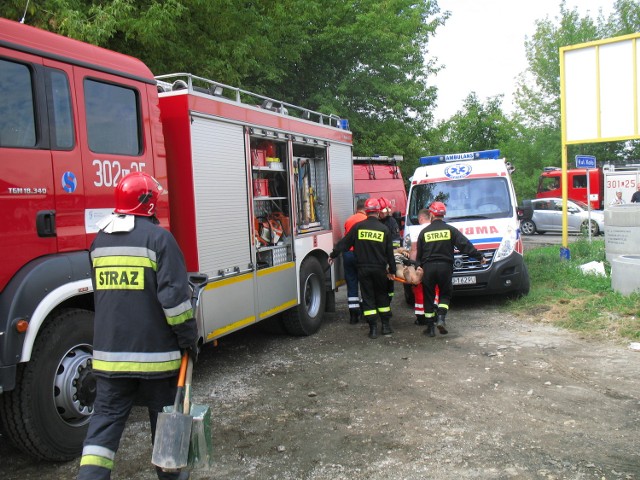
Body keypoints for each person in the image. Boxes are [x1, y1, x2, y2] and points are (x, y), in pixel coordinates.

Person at [77, 172, 199, 480]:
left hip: (109, 360)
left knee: (103, 426)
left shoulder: (99, 243)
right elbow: (174, 303)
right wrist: (189, 340)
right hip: (156, 360)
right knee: (166, 427)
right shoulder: (160, 239)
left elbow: (103, 297)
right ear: (148, 203)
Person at [416, 201, 486, 337]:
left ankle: (430, 328)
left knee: (429, 296)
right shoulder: (450, 230)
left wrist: (418, 266)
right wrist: (479, 257)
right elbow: (465, 245)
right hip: (445, 267)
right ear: (443, 215)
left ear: (431, 214)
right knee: (445, 294)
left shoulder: (424, 232)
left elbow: (419, 255)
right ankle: (441, 318)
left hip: (428, 268)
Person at [329, 198, 396, 339]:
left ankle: (372, 330)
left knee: (368, 297)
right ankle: (385, 326)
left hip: (363, 269)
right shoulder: (384, 229)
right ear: (378, 212)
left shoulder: (358, 227)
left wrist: (333, 255)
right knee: (382, 296)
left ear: (366, 211)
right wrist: (393, 271)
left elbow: (344, 244)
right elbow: (390, 253)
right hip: (379, 269)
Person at [343, 198, 367, 324]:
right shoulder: (366, 221)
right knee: (364, 283)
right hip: (361, 255)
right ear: (366, 209)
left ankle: (353, 316)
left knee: (352, 284)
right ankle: (364, 311)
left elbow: (346, 238)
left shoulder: (349, 220)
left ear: (356, 208)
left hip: (348, 254)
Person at [379, 197, 401, 303]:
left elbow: (396, 241)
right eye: (384, 211)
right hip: (377, 258)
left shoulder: (392, 222)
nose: (386, 213)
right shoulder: (374, 222)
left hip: (388, 256)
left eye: (387, 211)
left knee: (389, 284)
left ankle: (388, 301)